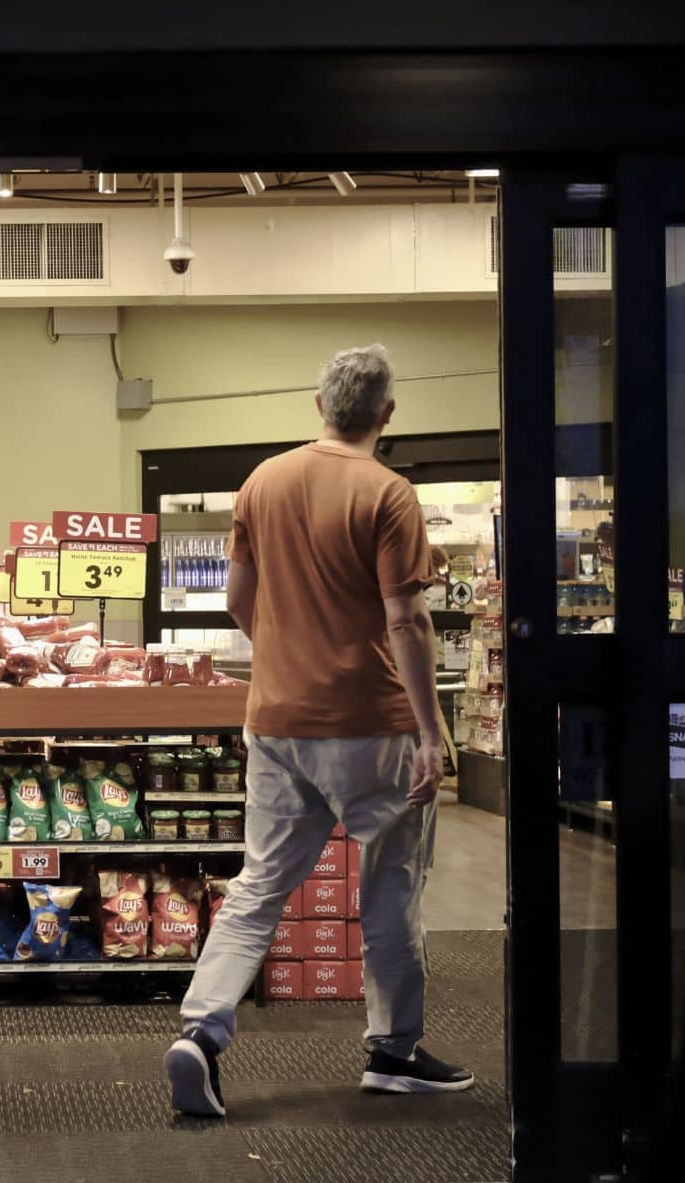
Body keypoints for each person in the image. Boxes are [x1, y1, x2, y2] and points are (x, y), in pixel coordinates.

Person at [165, 344, 473, 1117]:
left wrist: (286, 654)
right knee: (391, 889)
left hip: (275, 719)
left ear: (318, 405)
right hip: (372, 724)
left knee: (258, 884)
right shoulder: (390, 494)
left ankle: (201, 1033)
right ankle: (393, 1052)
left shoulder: (263, 481)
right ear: (388, 415)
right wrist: (431, 731)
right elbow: (406, 620)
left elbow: (239, 600)